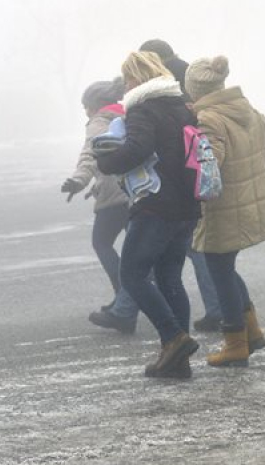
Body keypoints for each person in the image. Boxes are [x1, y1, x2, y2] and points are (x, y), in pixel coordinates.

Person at [96, 51, 200, 378]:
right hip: (186, 205)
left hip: (155, 204)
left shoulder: (142, 107)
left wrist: (107, 162)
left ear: (138, 78)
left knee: (133, 275)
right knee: (169, 278)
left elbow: (138, 148)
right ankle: (177, 361)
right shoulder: (181, 106)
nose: (125, 85)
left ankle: (173, 338)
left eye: (128, 78)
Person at [185, 55, 265, 367]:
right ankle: (252, 332)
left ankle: (236, 342)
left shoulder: (209, 118)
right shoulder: (244, 107)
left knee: (219, 270)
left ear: (194, 89)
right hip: (250, 201)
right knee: (226, 268)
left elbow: (213, 163)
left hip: (223, 209)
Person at [138, 38, 223, 332]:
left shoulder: (167, 83)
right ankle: (219, 309)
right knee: (192, 251)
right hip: (190, 181)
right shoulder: (186, 75)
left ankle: (215, 312)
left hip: (179, 183)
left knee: (187, 254)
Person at [61, 78, 138, 334]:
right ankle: (125, 301)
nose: (85, 111)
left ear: (95, 104)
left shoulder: (98, 122)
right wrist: (96, 185)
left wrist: (78, 181)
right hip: (136, 191)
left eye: (86, 106)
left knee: (102, 243)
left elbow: (91, 154)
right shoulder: (128, 115)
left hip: (114, 197)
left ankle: (123, 297)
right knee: (136, 251)